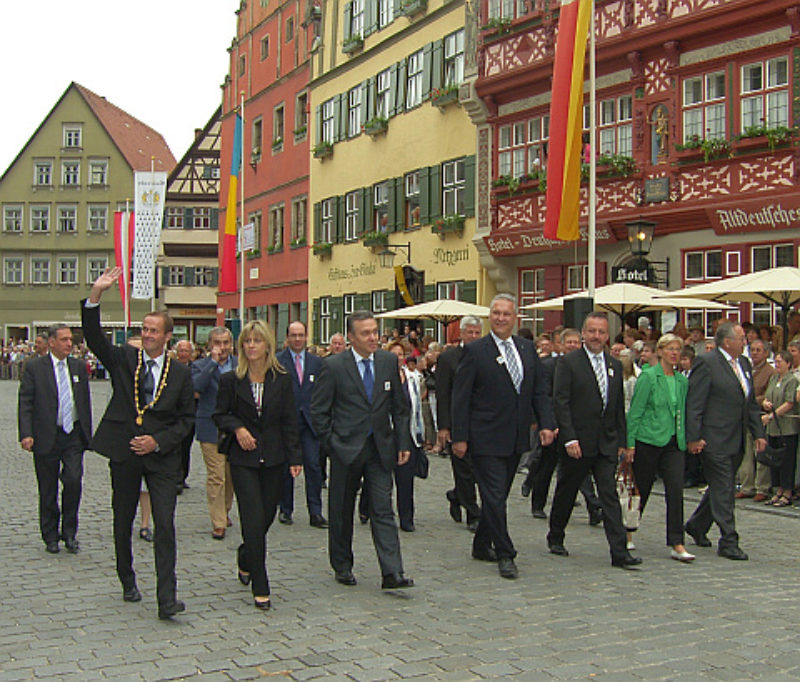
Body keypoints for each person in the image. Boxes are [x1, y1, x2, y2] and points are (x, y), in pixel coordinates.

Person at [82, 266, 195, 619]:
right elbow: (95, 337)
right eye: (144, 330)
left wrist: (158, 441)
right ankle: (127, 578)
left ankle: (167, 598)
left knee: (164, 523)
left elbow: (186, 421)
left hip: (161, 457)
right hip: (125, 451)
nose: (146, 335)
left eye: (152, 331)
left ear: (167, 337)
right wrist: (96, 294)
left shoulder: (180, 373)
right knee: (122, 518)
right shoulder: (125, 359)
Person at [452, 294, 555, 579]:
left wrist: (546, 423)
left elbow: (538, 391)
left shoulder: (526, 349)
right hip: (484, 436)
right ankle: (506, 553)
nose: (500, 318)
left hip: (515, 438)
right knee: (495, 496)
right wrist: (459, 436)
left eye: (506, 314)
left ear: (515, 318)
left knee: (496, 496)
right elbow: (460, 397)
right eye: (495, 313)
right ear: (489, 316)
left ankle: (481, 544)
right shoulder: (476, 351)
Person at [311, 310, 413, 590]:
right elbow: (319, 412)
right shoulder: (333, 366)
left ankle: (392, 572)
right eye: (366, 333)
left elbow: (400, 408)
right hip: (346, 449)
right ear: (351, 337)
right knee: (342, 510)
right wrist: (333, 444)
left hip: (380, 448)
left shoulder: (388, 361)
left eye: (375, 331)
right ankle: (342, 564)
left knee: (383, 509)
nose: (373, 338)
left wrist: (403, 442)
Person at [214, 320, 302, 610]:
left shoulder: (282, 378)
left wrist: (295, 457)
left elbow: (290, 419)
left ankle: (245, 555)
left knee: (265, 517)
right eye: (247, 342)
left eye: (256, 341)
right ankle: (260, 583)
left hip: (274, 456)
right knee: (251, 517)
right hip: (244, 459)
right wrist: (238, 428)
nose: (251, 346)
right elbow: (220, 414)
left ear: (267, 345)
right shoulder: (231, 380)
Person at [547, 312, 642, 569]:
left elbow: (617, 406)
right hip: (578, 442)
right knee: (567, 490)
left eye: (601, 332)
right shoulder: (569, 363)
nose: (596, 336)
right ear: (583, 334)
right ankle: (556, 534)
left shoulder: (613, 364)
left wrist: (623, 441)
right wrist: (569, 438)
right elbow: (561, 402)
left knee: (609, 495)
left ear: (607, 335)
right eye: (592, 332)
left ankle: (619, 551)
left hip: (606, 442)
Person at [684, 322, 766, 560]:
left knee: (723, 486)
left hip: (737, 438)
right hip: (714, 438)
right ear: (727, 341)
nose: (746, 342)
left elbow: (749, 403)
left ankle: (697, 525)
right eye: (741, 338)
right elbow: (695, 403)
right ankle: (729, 539)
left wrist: (758, 433)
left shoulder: (744, 364)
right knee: (724, 488)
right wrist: (694, 436)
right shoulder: (707, 363)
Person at [17, 323, 92, 554]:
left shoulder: (79, 367)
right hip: (46, 435)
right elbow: (26, 402)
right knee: (48, 488)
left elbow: (84, 402)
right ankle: (50, 535)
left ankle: (69, 532)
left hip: (73, 436)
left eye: (71, 339)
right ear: (51, 342)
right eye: (64, 340)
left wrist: (87, 435)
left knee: (73, 481)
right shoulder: (35, 368)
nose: (70, 344)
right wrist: (26, 433)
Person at [522, 328, 603, 526]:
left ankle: (594, 507)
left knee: (581, 472)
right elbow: (546, 397)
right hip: (553, 427)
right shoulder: (549, 365)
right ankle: (538, 503)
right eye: (570, 342)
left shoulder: (587, 367)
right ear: (560, 345)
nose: (573, 345)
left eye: (577, 342)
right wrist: (549, 424)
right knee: (546, 466)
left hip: (576, 428)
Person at [626, 334, 694, 562]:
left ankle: (677, 542)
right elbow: (635, 411)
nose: (674, 353)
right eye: (670, 349)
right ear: (661, 351)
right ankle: (628, 531)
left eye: (678, 349)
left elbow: (683, 411)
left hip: (674, 441)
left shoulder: (682, 380)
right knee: (641, 489)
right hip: (649, 439)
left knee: (675, 490)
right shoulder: (648, 377)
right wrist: (630, 443)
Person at [277, 321, 326, 528]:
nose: (297, 339)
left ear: (306, 337)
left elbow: (323, 393)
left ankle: (315, 511)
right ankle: (285, 509)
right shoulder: (278, 362)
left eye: (301, 335)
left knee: (314, 467)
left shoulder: (317, 363)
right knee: (286, 468)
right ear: (287, 338)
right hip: (286, 424)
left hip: (310, 424)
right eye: (293, 335)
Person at [436, 316, 482, 532]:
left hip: (483, 422)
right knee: (463, 468)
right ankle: (473, 513)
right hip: (457, 422)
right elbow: (443, 394)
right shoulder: (449, 358)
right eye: (470, 332)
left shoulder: (488, 354)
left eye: (477, 333)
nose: (474, 336)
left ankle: (456, 495)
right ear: (461, 333)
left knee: (477, 470)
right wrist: (443, 427)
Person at [193, 327, 238, 539]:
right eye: (218, 343)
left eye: (226, 342)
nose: (222, 347)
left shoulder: (239, 365)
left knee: (231, 475)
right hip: (210, 426)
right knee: (216, 475)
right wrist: (212, 363)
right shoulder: (200, 366)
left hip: (234, 426)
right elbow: (197, 387)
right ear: (210, 345)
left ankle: (225, 509)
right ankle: (218, 521)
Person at [735, 339, 774, 502]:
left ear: (766, 353)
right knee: (746, 454)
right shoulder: (747, 368)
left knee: (760, 453)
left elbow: (768, 393)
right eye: (753, 350)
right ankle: (746, 486)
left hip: (760, 415)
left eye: (759, 350)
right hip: (745, 416)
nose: (755, 353)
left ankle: (762, 487)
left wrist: (753, 400)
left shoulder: (769, 371)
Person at [760, 350, 798, 507]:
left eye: (780, 362)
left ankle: (788, 491)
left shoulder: (791, 380)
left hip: (787, 427)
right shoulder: (774, 378)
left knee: (787, 460)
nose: (777, 365)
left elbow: (790, 403)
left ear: (788, 363)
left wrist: (771, 416)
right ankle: (778, 490)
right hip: (773, 428)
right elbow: (766, 396)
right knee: (775, 459)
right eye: (775, 361)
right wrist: (765, 404)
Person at [174, 340, 195, 493]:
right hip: (173, 415)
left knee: (185, 447)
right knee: (175, 446)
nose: (183, 354)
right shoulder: (171, 368)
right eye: (180, 351)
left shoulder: (196, 369)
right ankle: (175, 477)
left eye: (186, 351)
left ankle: (182, 476)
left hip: (190, 414)